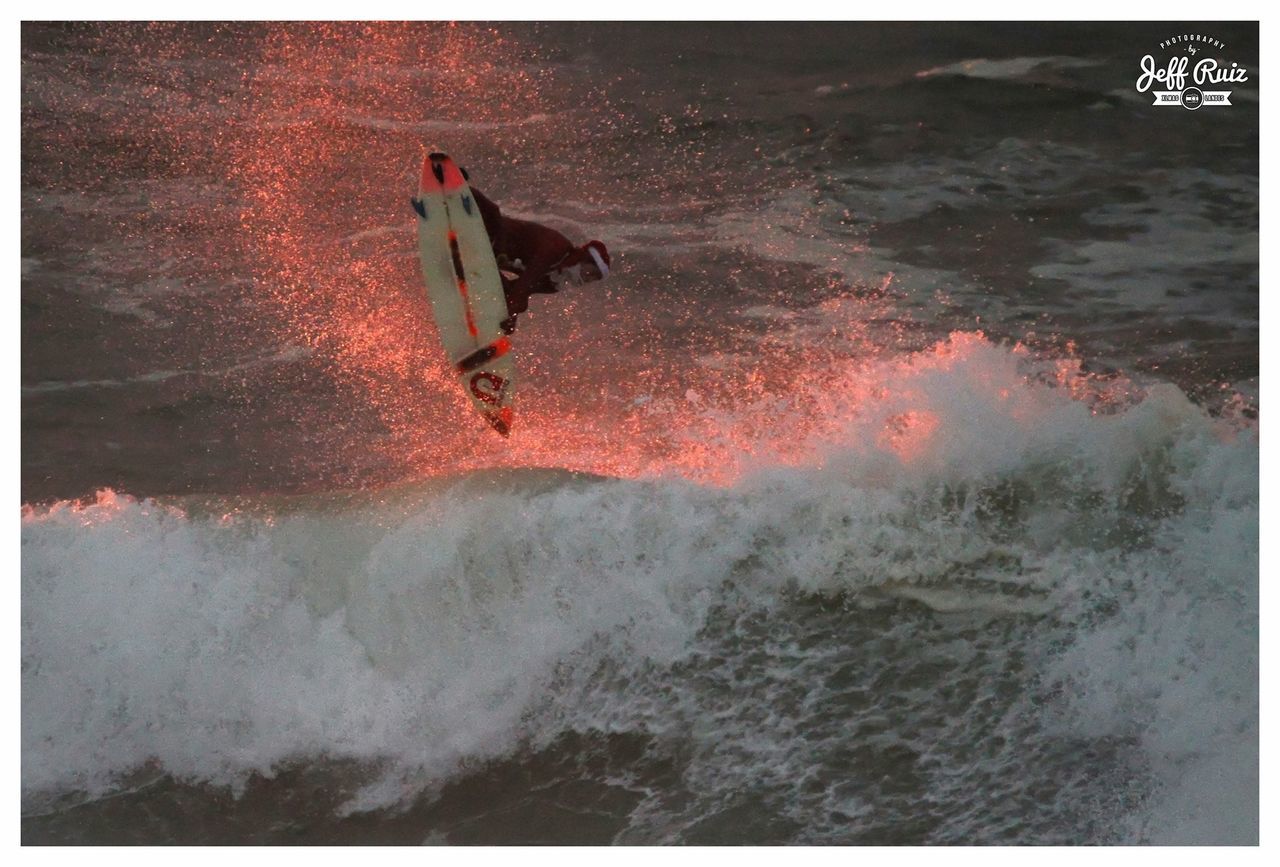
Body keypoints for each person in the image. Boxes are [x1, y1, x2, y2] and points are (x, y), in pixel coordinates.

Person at [467, 184, 611, 334]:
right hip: (491, 232)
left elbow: (514, 291)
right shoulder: (557, 248)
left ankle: (476, 328)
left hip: (487, 259)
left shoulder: (553, 284)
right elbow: (524, 285)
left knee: (513, 300)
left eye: (595, 279)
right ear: (585, 258)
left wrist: (509, 317)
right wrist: (513, 310)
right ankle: (459, 184)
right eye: (593, 273)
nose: (590, 279)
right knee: (493, 212)